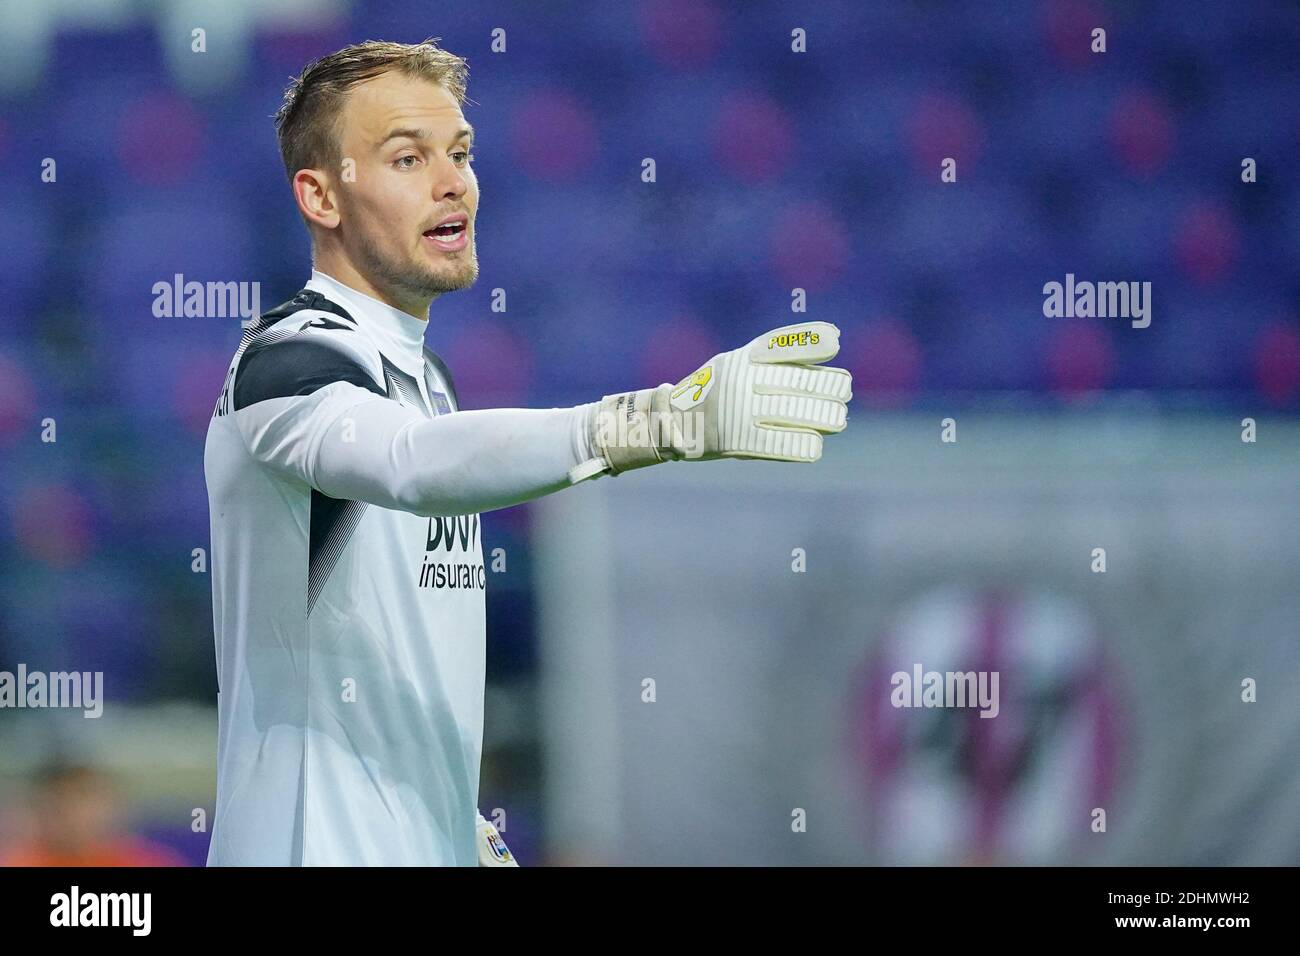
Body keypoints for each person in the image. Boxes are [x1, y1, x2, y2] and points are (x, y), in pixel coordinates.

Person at [204, 38, 851, 866]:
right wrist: (648, 424)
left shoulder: (423, 378)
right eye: (407, 157)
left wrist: (444, 814)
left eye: (461, 153)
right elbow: (409, 463)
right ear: (322, 197)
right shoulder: (287, 356)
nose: (453, 182)